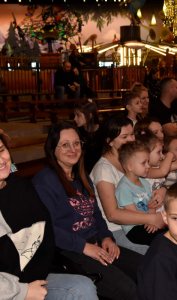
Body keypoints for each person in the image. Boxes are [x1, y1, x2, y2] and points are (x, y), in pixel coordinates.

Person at [32, 122, 142, 300]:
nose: (73, 149)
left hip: (97, 243)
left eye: (76, 143)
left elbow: (96, 213)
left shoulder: (80, 175)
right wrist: (84, 247)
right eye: (65, 144)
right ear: (52, 148)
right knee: (128, 289)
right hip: (70, 251)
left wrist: (107, 237)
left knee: (147, 267)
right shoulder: (44, 182)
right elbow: (47, 229)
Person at [0, 133, 98, 300]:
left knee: (82, 287)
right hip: (10, 289)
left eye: (1, 150)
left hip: (36, 277)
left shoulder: (21, 185)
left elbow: (44, 232)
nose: (1, 160)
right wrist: (23, 292)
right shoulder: (45, 180)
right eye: (65, 145)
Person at [90, 115, 166, 255]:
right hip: (117, 229)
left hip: (142, 220)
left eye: (131, 134)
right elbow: (112, 214)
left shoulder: (132, 158)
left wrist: (162, 190)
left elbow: (153, 179)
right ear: (110, 141)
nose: (131, 139)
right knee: (159, 250)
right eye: (124, 137)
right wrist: (152, 219)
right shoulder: (103, 170)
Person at [115, 140, 166, 246]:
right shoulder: (124, 188)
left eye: (148, 162)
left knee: (170, 234)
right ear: (130, 167)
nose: (148, 166)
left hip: (148, 223)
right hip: (134, 228)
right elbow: (133, 215)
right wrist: (150, 221)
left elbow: (151, 204)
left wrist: (153, 222)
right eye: (144, 163)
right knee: (163, 240)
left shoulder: (144, 182)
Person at [149, 77, 177, 151]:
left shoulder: (175, 105)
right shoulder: (157, 108)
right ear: (170, 89)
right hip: (169, 147)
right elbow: (171, 133)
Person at [74, 99, 102, 174]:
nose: (75, 119)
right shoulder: (76, 132)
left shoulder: (103, 131)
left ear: (89, 116)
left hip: (100, 170)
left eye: (78, 115)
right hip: (83, 171)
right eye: (75, 115)